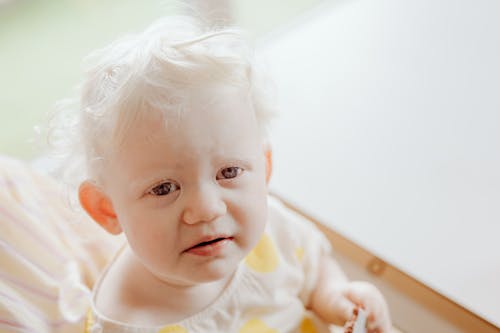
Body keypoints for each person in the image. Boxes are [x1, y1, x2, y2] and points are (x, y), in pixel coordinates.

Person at [59, 15, 391, 333]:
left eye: (228, 171)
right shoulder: (128, 324)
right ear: (107, 208)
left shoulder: (271, 233)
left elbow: (315, 273)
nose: (207, 208)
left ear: (264, 169)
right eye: (163, 188)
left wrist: (336, 298)